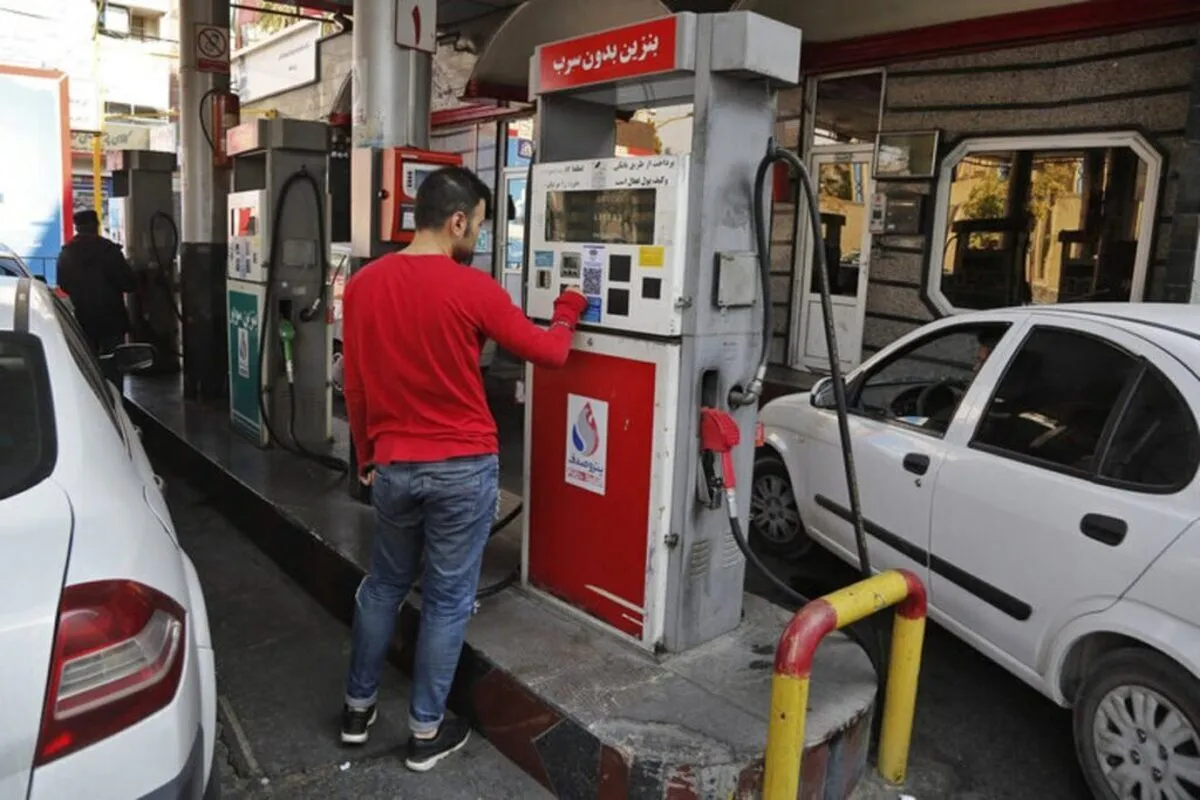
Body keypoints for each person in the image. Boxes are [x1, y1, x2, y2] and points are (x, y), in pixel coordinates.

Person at [339, 166, 588, 772]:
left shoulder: (364, 285)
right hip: (462, 468)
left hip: (394, 465)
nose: (477, 235)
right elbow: (551, 352)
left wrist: (368, 454)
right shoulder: (473, 288)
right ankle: (425, 733)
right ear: (456, 221)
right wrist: (569, 305)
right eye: (477, 224)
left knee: (384, 585)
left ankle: (356, 710)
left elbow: (356, 383)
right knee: (447, 602)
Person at [56, 209, 136, 383]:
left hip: (84, 318)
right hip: (112, 318)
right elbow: (128, 283)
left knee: (87, 367)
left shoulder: (66, 253)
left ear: (77, 227)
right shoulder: (109, 251)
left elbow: (63, 285)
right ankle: (114, 397)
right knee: (115, 365)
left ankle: (91, 396)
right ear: (96, 225)